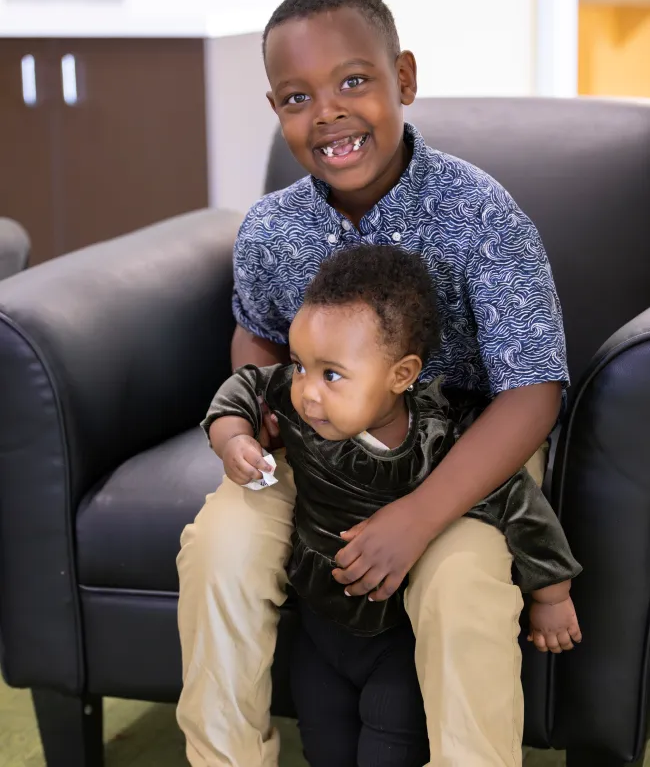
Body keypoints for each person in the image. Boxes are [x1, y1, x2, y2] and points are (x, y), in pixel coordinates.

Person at [176, 0, 572, 767]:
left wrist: (420, 515)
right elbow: (254, 339)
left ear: (406, 80)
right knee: (220, 545)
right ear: (277, 109)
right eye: (297, 97)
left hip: (461, 450)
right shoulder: (271, 228)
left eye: (353, 81)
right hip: (319, 444)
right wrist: (256, 431)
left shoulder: (483, 214)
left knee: (461, 587)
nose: (327, 112)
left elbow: (533, 390)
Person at [202, 245, 582, 767]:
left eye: (331, 375)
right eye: (299, 365)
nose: (307, 392)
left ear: (402, 375)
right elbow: (240, 392)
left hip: (394, 645)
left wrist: (552, 595)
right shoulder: (299, 409)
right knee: (325, 751)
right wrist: (234, 441)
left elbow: (521, 505)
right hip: (321, 632)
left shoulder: (436, 441)